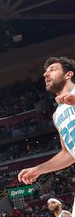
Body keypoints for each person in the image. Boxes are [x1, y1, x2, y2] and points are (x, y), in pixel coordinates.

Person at [18, 56, 75, 187]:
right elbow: (68, 154)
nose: (45, 74)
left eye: (53, 69)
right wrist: (38, 170)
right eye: (45, 72)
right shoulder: (57, 115)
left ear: (68, 74)